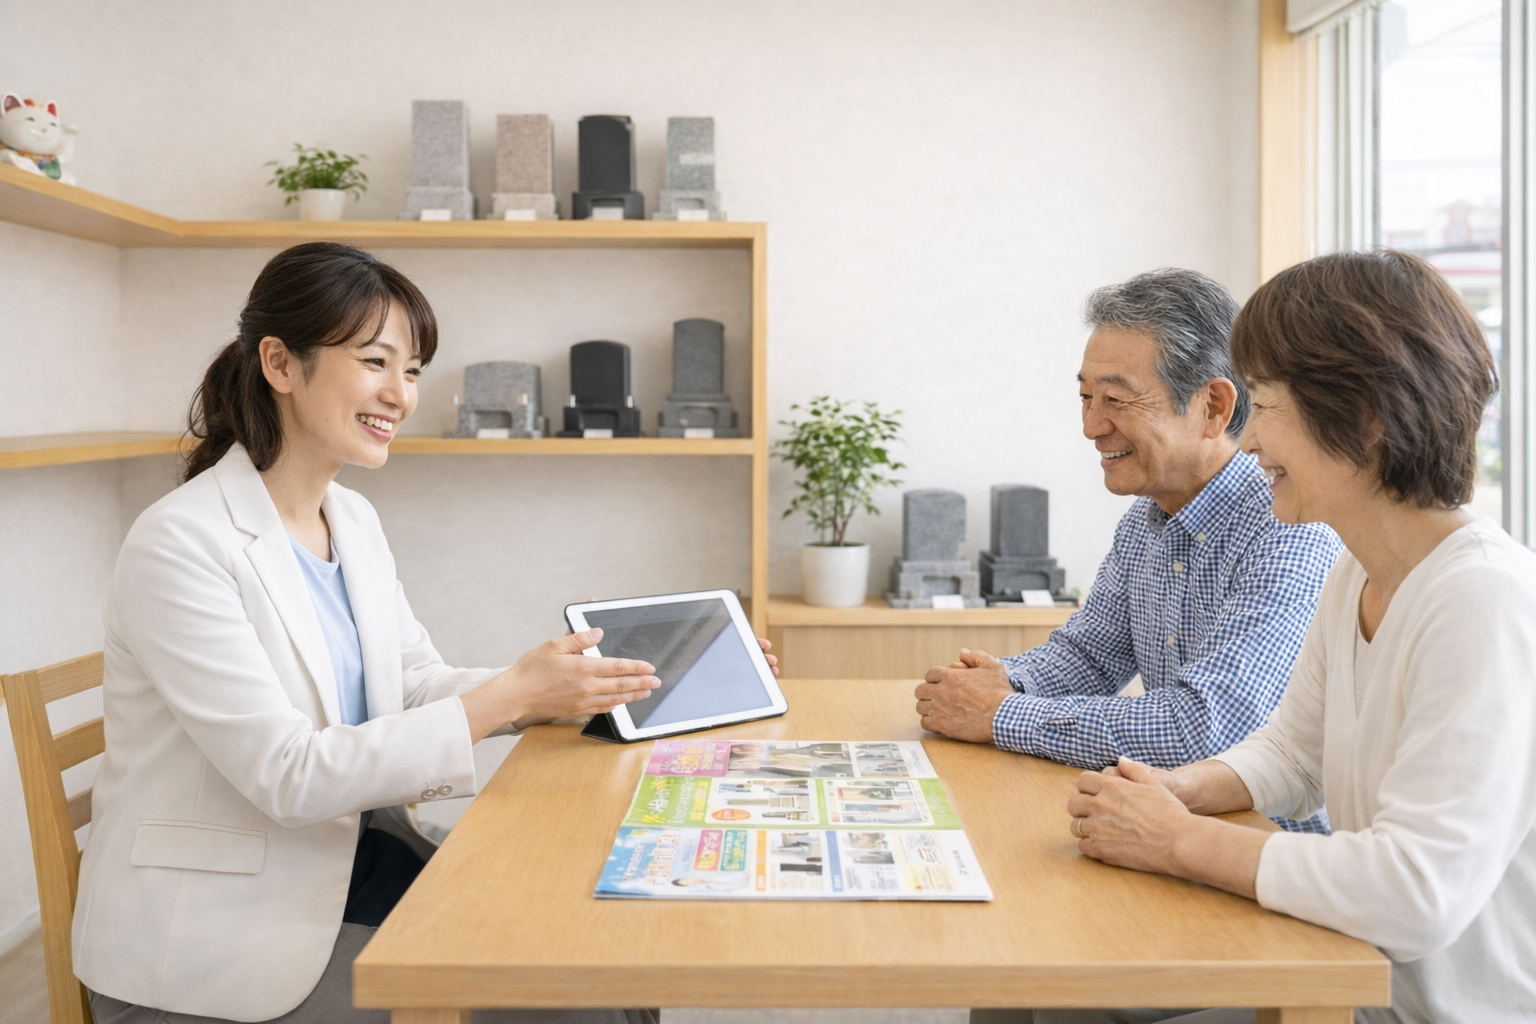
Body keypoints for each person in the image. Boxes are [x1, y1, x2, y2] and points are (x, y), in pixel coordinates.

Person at [74, 242, 775, 1024]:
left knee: (611, 965)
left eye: (412, 371)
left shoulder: (352, 519)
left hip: (352, 870)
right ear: (279, 361)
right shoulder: (181, 543)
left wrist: (567, 690)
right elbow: (287, 774)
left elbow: (411, 684)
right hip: (218, 943)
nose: (400, 395)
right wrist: (507, 698)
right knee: (584, 1003)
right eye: (376, 361)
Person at [1062, 250, 1536, 1024]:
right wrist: (1175, 791)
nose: (1247, 444)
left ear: (1366, 417)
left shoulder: (1484, 601)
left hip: (1419, 1009)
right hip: (1350, 974)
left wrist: (1180, 841)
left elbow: (1416, 894)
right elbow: (1292, 754)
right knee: (1064, 1000)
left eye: (1267, 406)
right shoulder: (1361, 571)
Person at [916, 269, 1339, 833]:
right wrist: (995, 681)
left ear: (1213, 406)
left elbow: (1206, 727)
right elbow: (1088, 657)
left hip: (1272, 847)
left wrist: (1000, 713)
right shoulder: (1145, 519)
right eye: (1086, 397)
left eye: (1115, 398)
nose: (1092, 425)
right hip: (1168, 823)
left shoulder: (1289, 528)